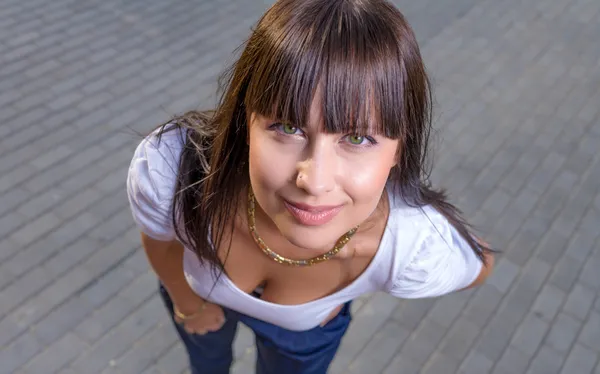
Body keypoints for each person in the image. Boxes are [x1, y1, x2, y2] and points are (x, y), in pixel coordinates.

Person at [126, 0, 495, 373]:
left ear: (400, 149)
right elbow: (158, 238)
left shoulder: (412, 246)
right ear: (245, 122)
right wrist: (187, 302)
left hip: (302, 341)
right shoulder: (174, 168)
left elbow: (479, 265)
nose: (314, 181)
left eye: (358, 138)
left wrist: (375, 271)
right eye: (287, 128)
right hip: (198, 300)